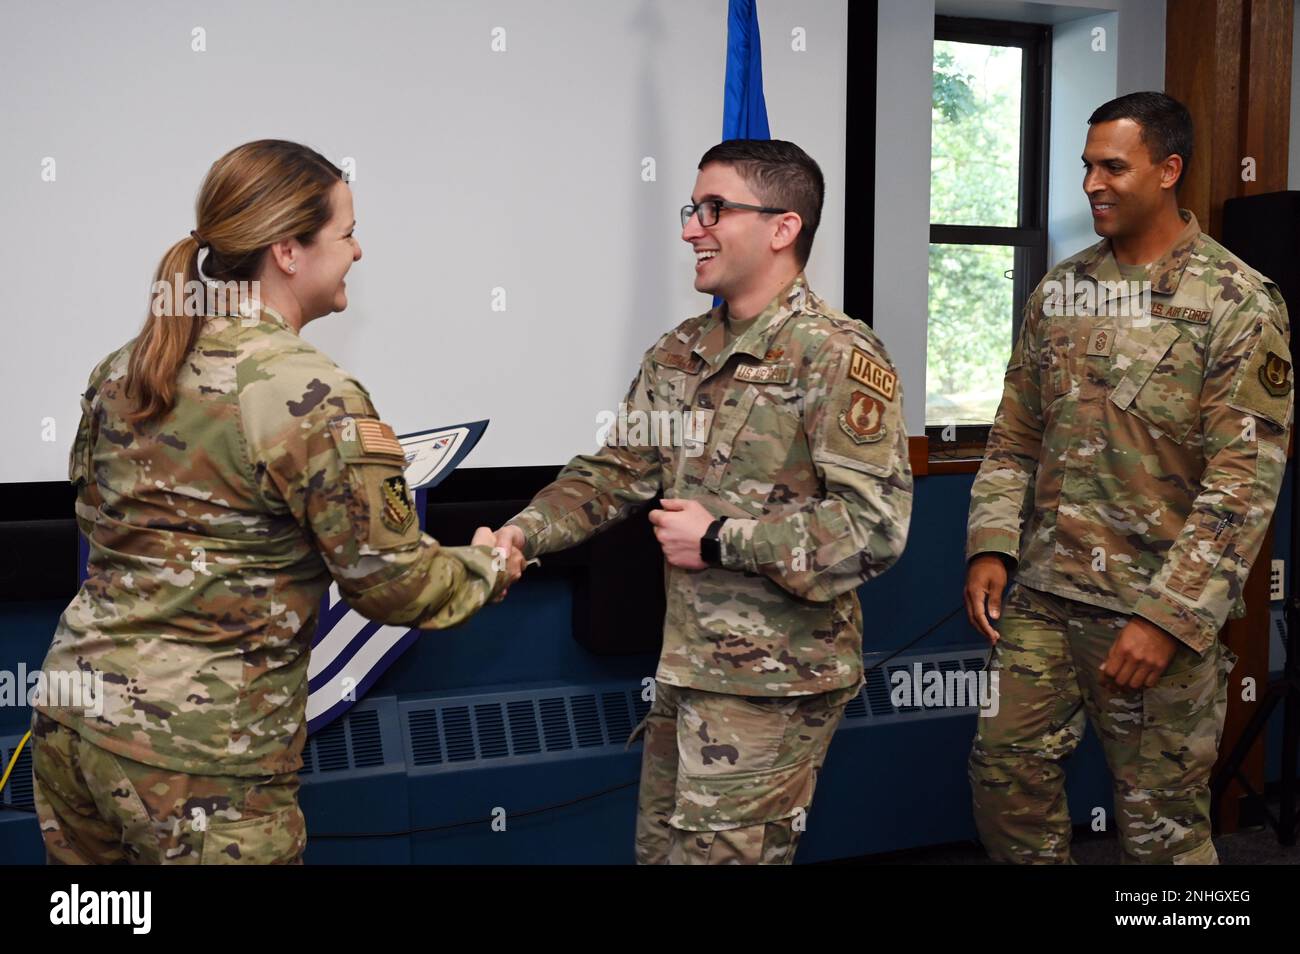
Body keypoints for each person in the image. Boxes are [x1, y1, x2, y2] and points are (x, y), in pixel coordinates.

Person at [30, 139, 523, 865]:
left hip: (73, 726)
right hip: (200, 764)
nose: (358, 251)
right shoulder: (309, 392)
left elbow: (97, 524)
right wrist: (489, 566)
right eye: (347, 233)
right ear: (289, 250)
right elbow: (393, 583)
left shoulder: (125, 366)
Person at [494, 139, 913, 864]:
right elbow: (612, 473)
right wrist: (518, 536)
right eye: (694, 209)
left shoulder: (837, 354)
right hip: (686, 669)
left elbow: (873, 530)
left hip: (774, 686)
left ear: (782, 227)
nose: (692, 228)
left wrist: (722, 538)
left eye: (715, 209)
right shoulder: (680, 351)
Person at [964, 92, 1292, 864]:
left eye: (1114, 166)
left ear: (1169, 170)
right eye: (1087, 166)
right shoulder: (1062, 290)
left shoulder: (1237, 301)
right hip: (1044, 596)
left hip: (1152, 612)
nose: (1092, 183)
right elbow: (1015, 436)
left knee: (1160, 830)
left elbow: (1240, 486)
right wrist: (991, 546)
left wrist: (1169, 617)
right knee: (1003, 776)